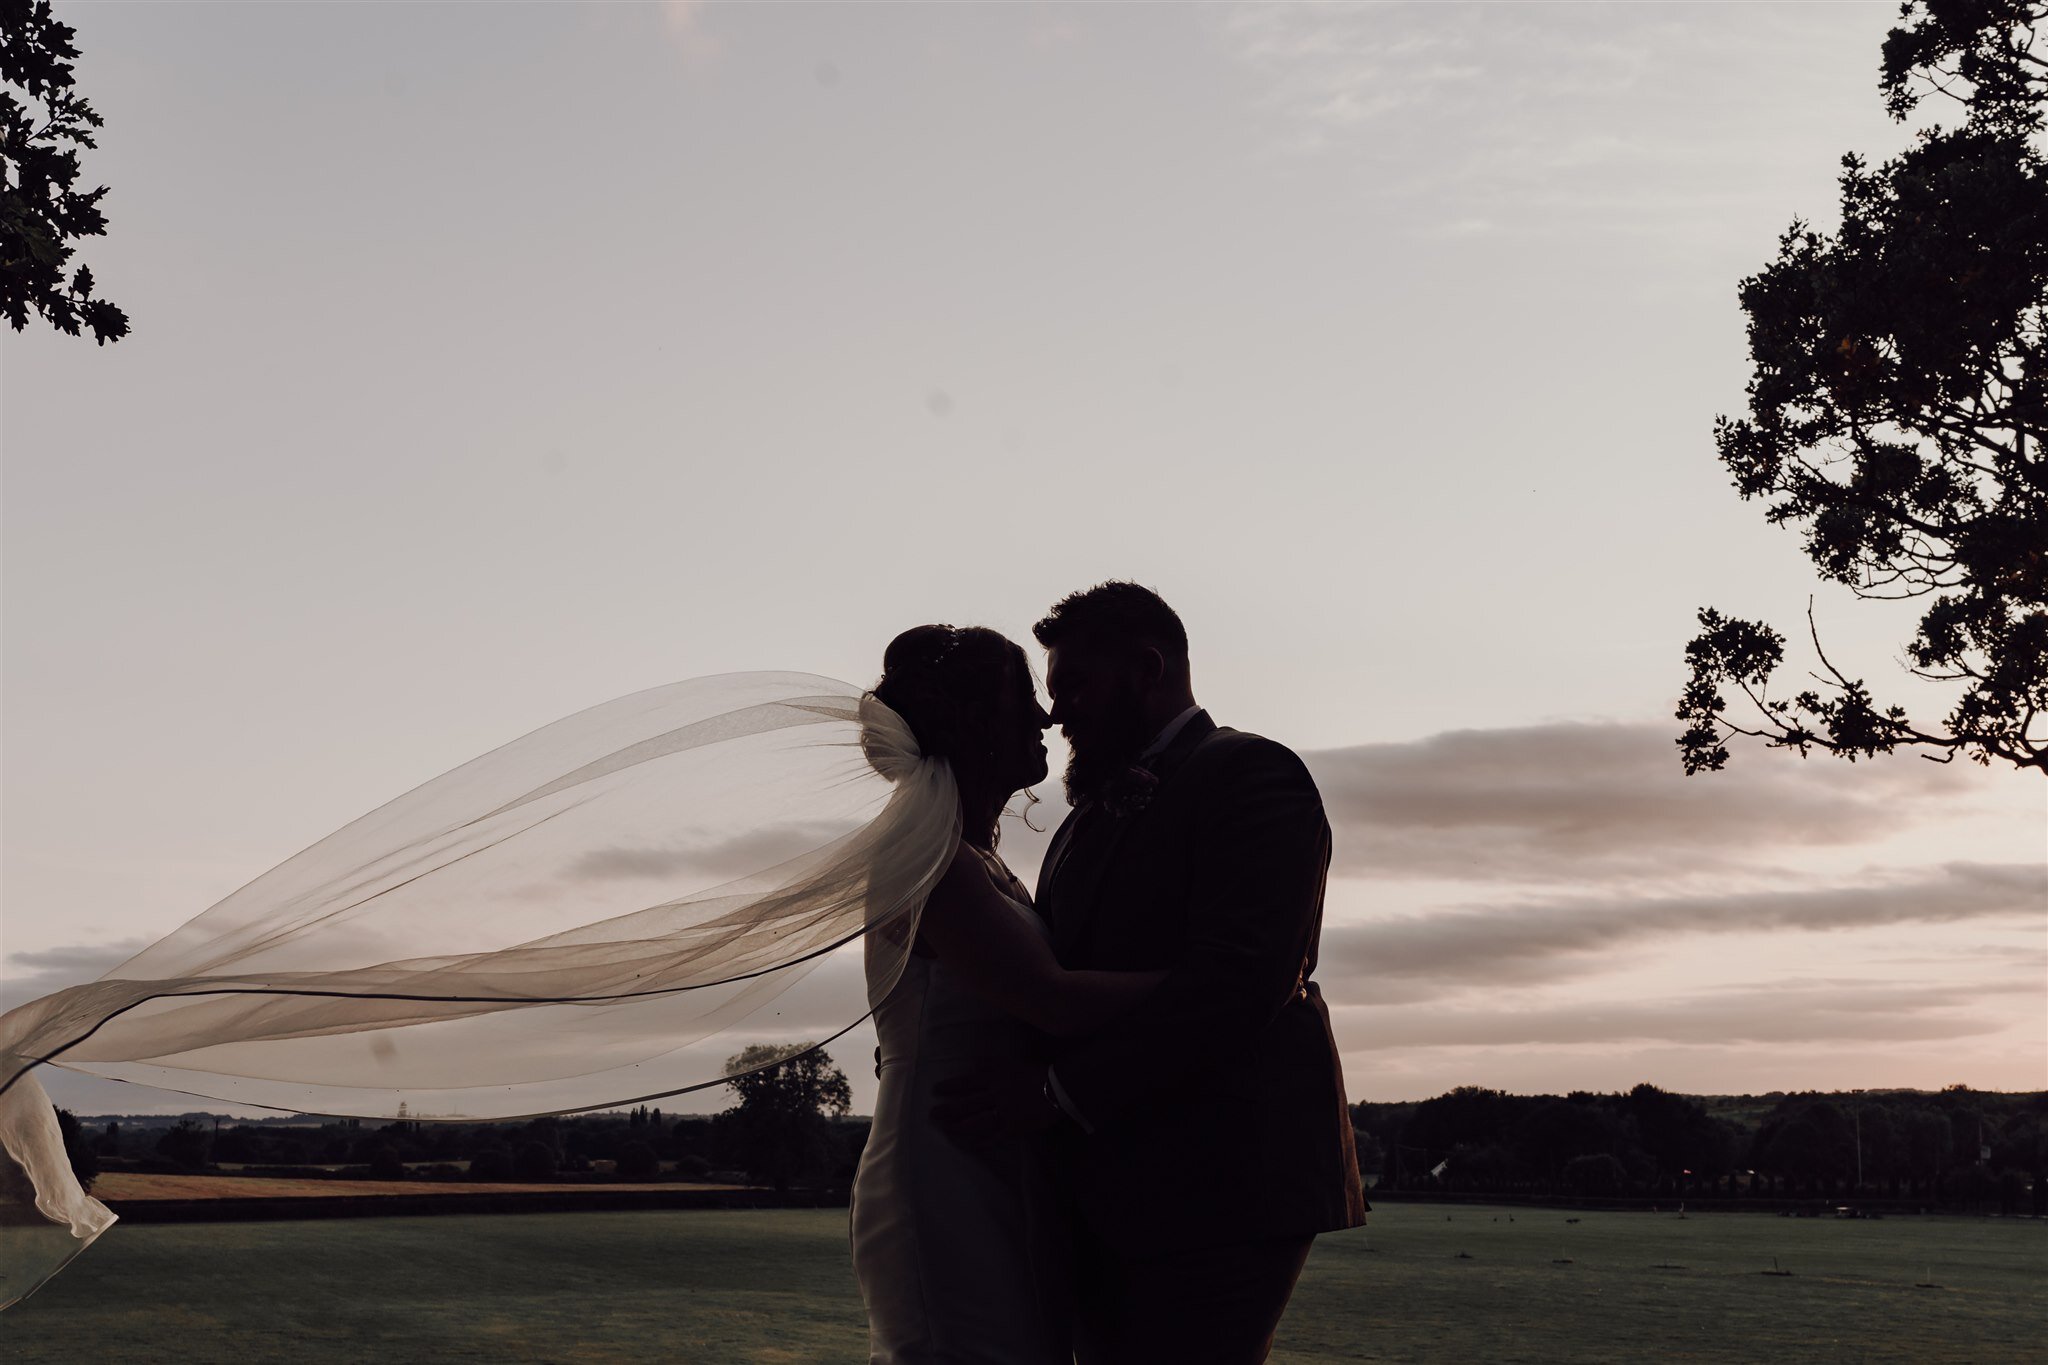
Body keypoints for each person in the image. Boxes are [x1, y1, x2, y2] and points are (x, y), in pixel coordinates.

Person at [935, 582, 1366, 1365]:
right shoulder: (1080, 821)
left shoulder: (1254, 773)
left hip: (1222, 1186)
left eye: (1073, 686)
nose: (1058, 712)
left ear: (1148, 667)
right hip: (1101, 1194)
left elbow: (1245, 981)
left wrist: (1054, 1094)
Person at [849, 624, 1164, 1364]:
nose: (1047, 717)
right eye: (1025, 699)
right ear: (974, 724)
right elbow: (1050, 996)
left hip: (996, 1148)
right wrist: (1212, 980)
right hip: (944, 1162)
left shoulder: (973, 855)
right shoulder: (931, 861)